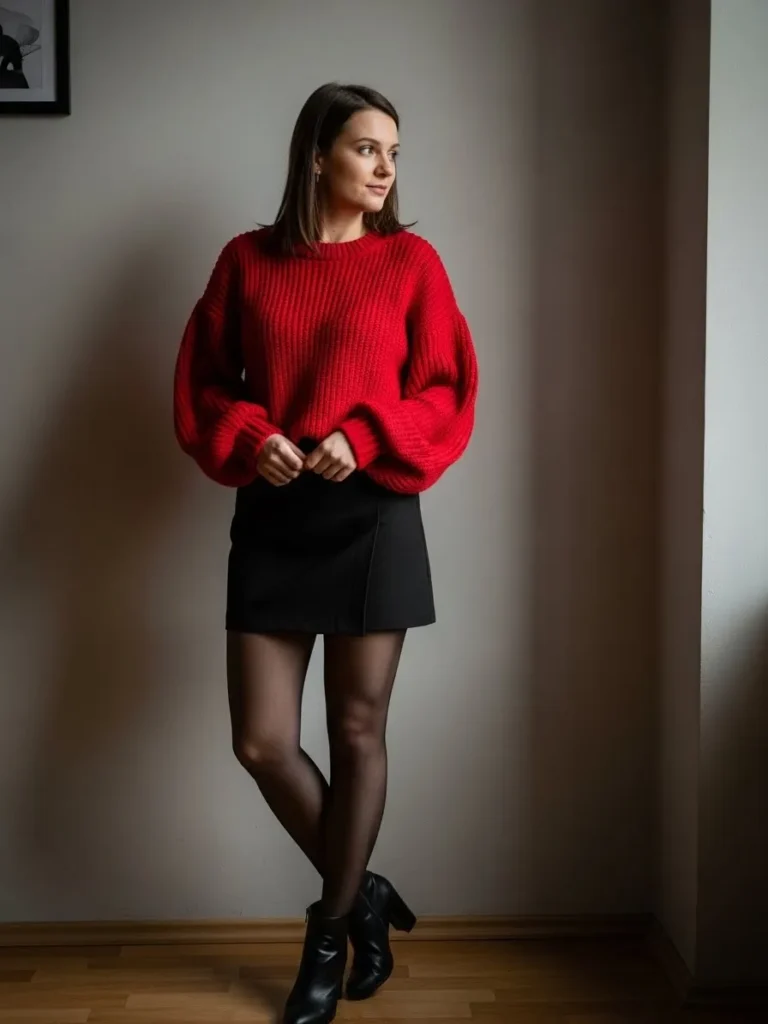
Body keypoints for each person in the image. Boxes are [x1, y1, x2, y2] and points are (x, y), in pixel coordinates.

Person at [173, 81, 479, 1024]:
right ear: (317, 156)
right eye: (366, 148)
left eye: (394, 152)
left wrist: (370, 431)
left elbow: (447, 388)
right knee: (261, 741)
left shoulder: (411, 263)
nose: (386, 168)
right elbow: (203, 383)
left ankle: (327, 931)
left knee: (356, 732)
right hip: (275, 516)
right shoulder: (246, 261)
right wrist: (251, 432)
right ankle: (366, 896)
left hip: (373, 515)